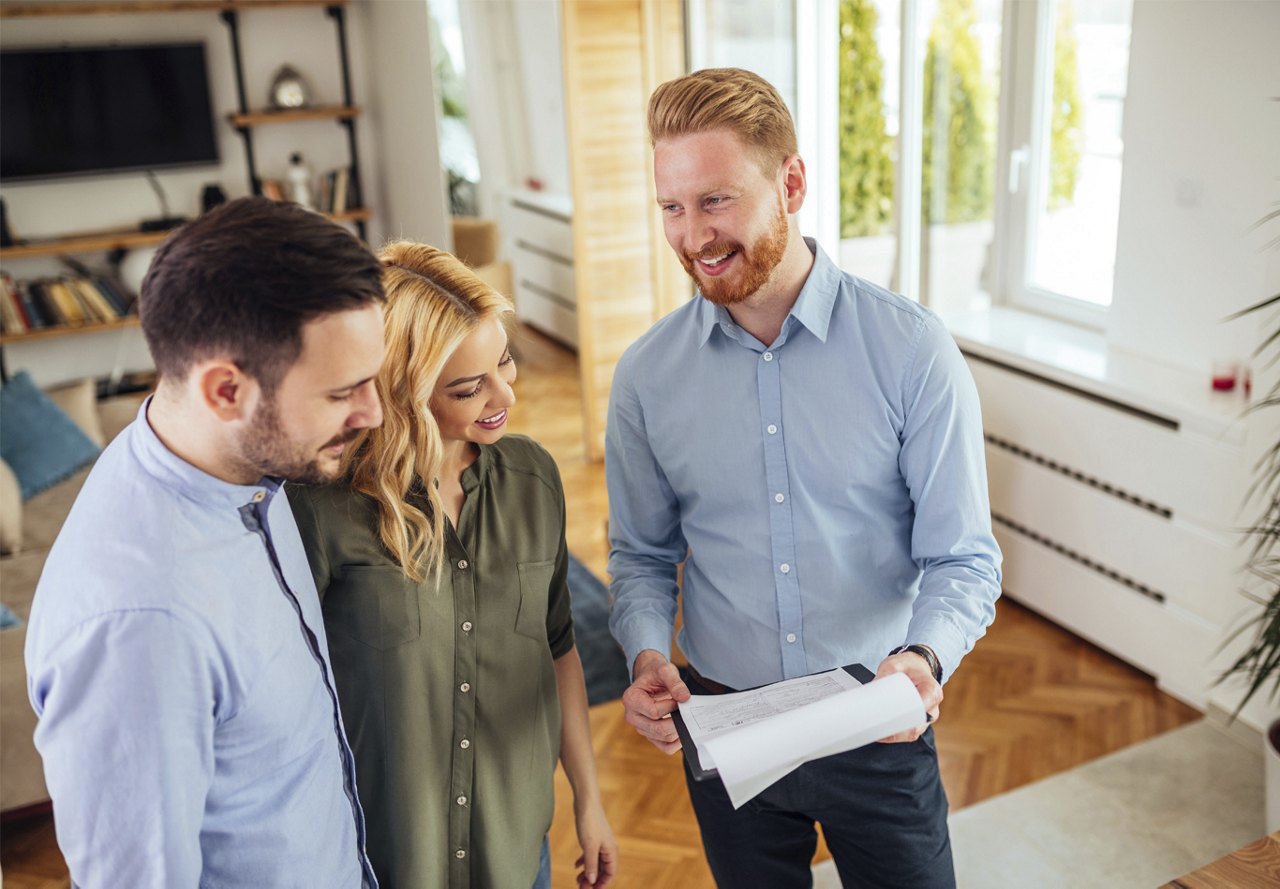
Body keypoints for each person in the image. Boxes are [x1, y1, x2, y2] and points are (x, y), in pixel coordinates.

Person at [606, 68, 1002, 888]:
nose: (693, 237)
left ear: (791, 182)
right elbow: (641, 554)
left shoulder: (910, 351)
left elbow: (964, 556)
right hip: (725, 719)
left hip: (876, 713)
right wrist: (646, 654)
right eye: (672, 208)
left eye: (715, 201)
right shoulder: (647, 377)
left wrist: (927, 656)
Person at [24, 197, 386, 887]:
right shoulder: (141, 627)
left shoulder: (240, 466)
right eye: (344, 391)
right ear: (226, 390)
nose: (371, 411)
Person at [289, 242, 618, 889]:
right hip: (382, 860)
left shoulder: (533, 479)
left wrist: (590, 800)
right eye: (469, 387)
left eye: (505, 362)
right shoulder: (323, 509)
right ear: (403, 392)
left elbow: (559, 649)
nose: (504, 395)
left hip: (517, 854)